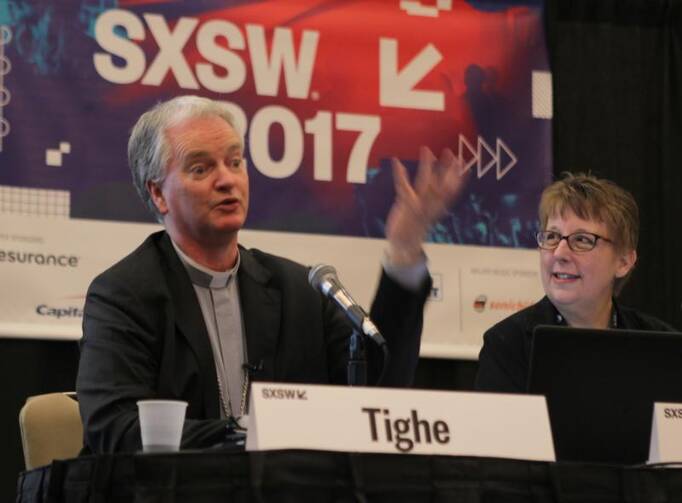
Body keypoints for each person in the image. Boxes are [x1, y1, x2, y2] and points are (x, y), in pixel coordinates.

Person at [76, 95, 466, 453]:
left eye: (234, 162)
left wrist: (404, 251)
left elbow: (377, 391)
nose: (227, 179)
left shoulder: (299, 291)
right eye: (201, 167)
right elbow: (116, 429)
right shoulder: (124, 295)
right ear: (158, 193)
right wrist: (248, 432)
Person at [475, 172, 676, 393]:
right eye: (551, 237)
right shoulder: (508, 345)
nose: (559, 253)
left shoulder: (663, 346)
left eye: (581, 240)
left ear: (624, 261)